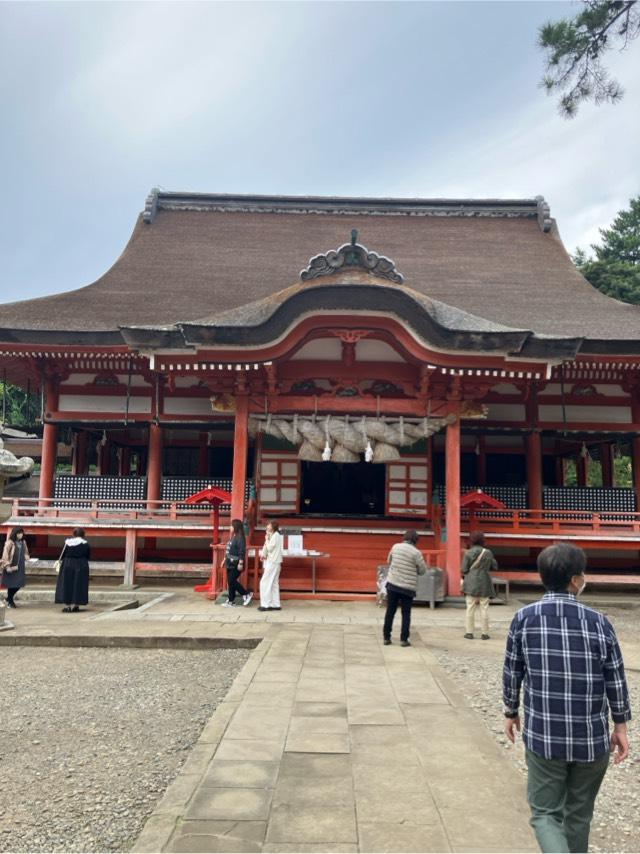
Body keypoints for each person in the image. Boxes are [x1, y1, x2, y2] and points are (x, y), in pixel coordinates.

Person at [503, 543, 631, 854]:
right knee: (579, 814)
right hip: (590, 740)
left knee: (546, 813)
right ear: (576, 580)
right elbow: (616, 678)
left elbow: (512, 670)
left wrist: (510, 711)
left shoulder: (524, 618)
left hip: (545, 736)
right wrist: (621, 726)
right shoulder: (599, 623)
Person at [383, 529, 427, 647]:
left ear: (404, 537)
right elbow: (422, 570)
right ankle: (404, 639)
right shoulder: (416, 553)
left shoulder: (395, 547)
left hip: (393, 584)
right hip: (408, 587)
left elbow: (389, 561)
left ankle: (386, 637)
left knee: (390, 611)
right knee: (406, 613)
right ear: (416, 540)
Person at [461, 531, 498, 640]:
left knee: (470, 607)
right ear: (483, 540)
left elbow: (464, 569)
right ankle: (485, 633)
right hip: (485, 582)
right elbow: (495, 566)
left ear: (471, 540)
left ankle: (469, 632)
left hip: (471, 582)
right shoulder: (488, 552)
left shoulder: (468, 553)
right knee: (484, 608)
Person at [54, 528, 91, 613]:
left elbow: (62, 555)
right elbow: (88, 555)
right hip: (81, 564)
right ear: (83, 535)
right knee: (79, 584)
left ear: (73, 534)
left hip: (68, 564)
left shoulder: (68, 543)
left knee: (67, 584)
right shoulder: (85, 544)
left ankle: (68, 606)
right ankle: (76, 605)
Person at [222, 518, 252, 608]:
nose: (230, 527)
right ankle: (231, 601)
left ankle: (246, 594)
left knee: (232, 580)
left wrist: (241, 563)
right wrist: (224, 559)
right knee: (230, 582)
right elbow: (229, 550)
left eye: (231, 525)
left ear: (235, 527)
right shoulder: (234, 536)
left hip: (236, 562)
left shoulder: (240, 538)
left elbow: (241, 551)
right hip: (229, 561)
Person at [1, 526, 30, 608]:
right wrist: (7, 566)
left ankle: (8, 599)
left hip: (20, 566)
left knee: (19, 584)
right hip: (11, 565)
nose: (20, 535)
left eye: (21, 533)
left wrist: (27, 556)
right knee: (12, 584)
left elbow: (26, 553)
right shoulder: (9, 542)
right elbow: (5, 555)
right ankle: (10, 602)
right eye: (19, 533)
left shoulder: (23, 542)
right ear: (15, 533)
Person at [258, 520, 283, 612]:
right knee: (273, 584)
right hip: (274, 562)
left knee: (265, 582)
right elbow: (266, 546)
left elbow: (269, 547)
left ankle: (265, 604)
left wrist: (267, 539)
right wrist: (263, 555)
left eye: (269, 525)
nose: (267, 526)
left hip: (273, 562)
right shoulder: (272, 535)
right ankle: (275, 604)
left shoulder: (276, 535)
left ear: (273, 527)